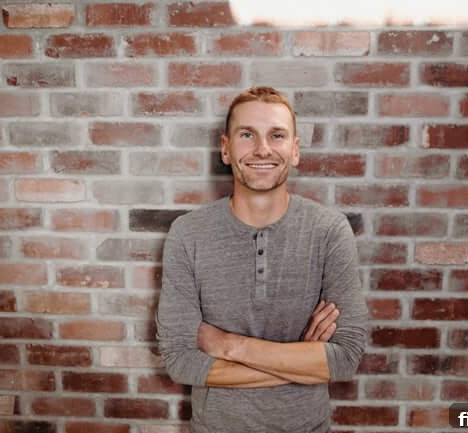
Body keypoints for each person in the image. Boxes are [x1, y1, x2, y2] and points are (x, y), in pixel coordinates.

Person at [156, 86, 368, 433]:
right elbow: (180, 361)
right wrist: (300, 358)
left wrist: (227, 345)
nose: (262, 149)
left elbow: (345, 358)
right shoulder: (188, 234)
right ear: (226, 148)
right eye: (247, 135)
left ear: (295, 150)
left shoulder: (328, 230)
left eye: (277, 135)